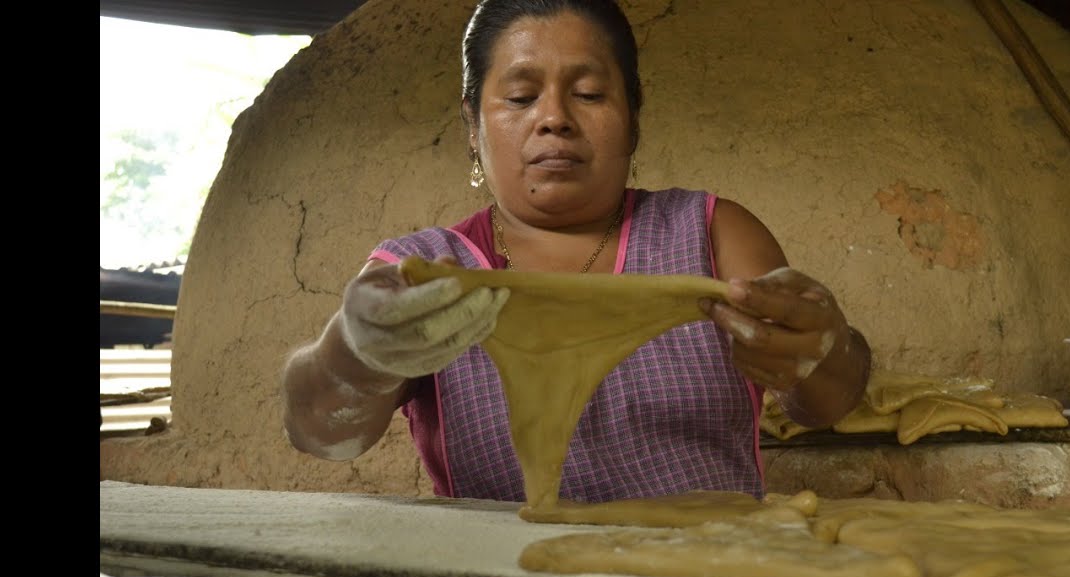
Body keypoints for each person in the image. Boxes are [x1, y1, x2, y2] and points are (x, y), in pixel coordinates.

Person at [282, 0, 872, 503]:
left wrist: (821, 350)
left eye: (589, 93)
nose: (554, 119)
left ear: (633, 119)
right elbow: (318, 431)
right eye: (520, 97)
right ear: (472, 126)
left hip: (706, 576)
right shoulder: (425, 270)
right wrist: (356, 353)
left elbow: (825, 403)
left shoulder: (711, 233)